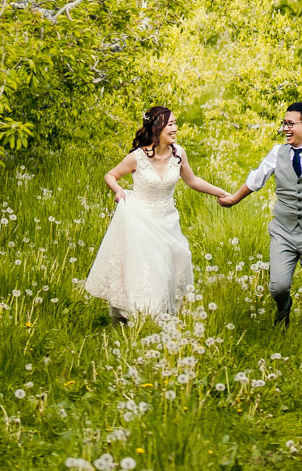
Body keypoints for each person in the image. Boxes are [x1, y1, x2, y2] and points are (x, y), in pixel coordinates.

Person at [84, 106, 231, 324]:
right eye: (170, 124)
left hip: (167, 219)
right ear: (157, 128)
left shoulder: (178, 153)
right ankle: (145, 317)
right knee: (154, 267)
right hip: (140, 218)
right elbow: (111, 175)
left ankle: (164, 316)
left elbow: (192, 180)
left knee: (180, 260)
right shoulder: (138, 157)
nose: (175, 128)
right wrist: (119, 190)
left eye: (175, 123)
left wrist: (221, 193)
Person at [217, 99, 302, 340]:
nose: (285, 129)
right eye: (284, 124)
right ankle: (283, 310)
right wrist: (234, 199)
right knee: (277, 287)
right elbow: (257, 179)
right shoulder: (278, 152)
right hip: (283, 231)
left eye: (290, 124)